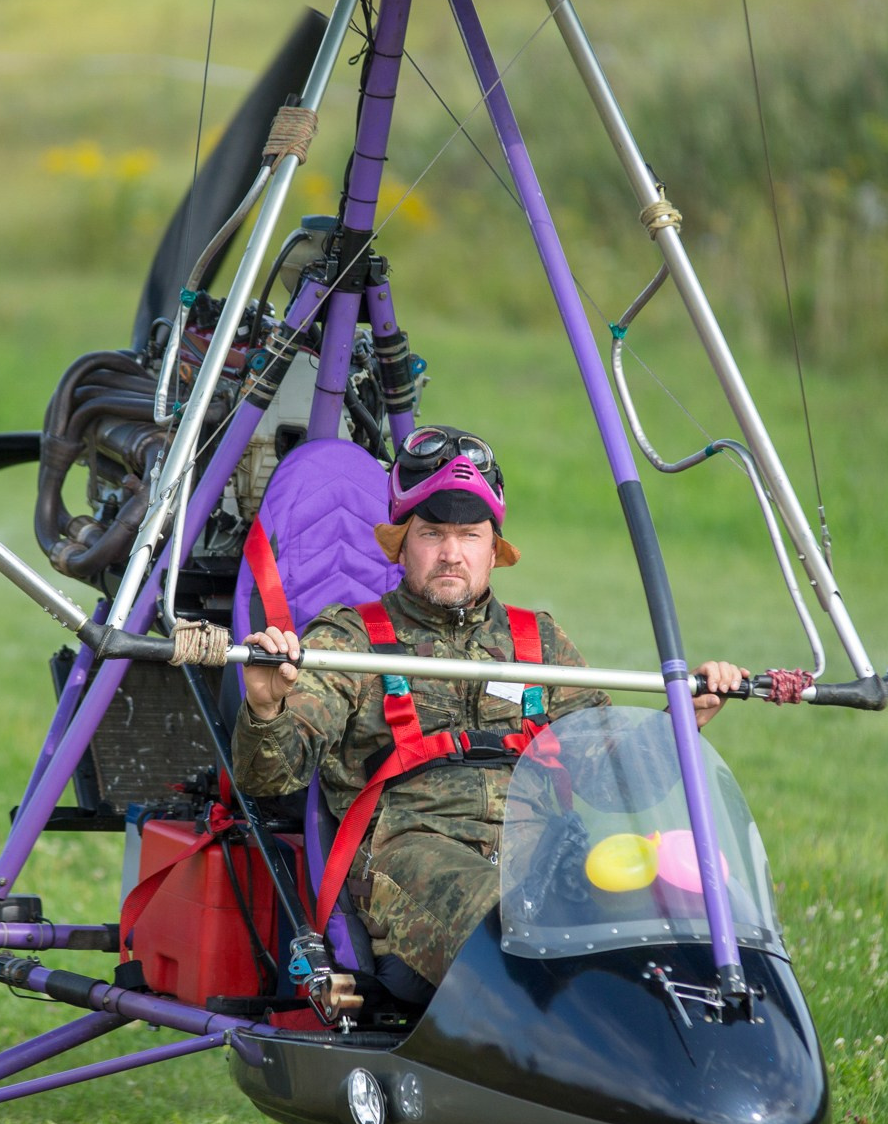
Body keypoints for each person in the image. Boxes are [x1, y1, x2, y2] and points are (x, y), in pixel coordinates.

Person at [231, 425, 745, 1009]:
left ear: (493, 549)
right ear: (400, 542)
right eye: (432, 534)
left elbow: (612, 777)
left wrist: (684, 723)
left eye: (470, 535)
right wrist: (267, 707)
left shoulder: (538, 643)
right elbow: (267, 779)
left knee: (660, 904)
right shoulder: (349, 640)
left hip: (542, 853)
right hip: (413, 857)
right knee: (519, 918)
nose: (451, 553)